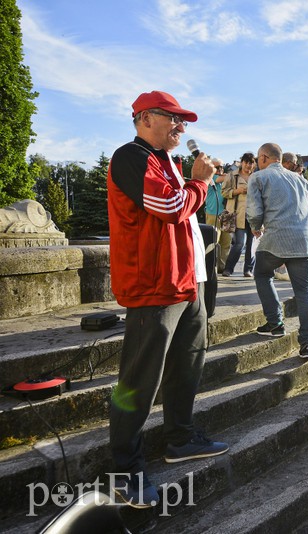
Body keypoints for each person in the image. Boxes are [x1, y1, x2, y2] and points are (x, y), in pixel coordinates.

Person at [107, 91, 229, 507]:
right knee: (139, 380)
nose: (181, 127)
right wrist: (200, 180)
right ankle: (124, 468)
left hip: (185, 281)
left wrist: (198, 182)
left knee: (187, 364)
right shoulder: (131, 156)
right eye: (172, 119)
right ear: (144, 119)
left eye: (184, 121)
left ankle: (179, 437)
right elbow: (169, 205)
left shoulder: (166, 162)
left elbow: (183, 215)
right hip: (153, 286)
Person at [248, 142, 308, 358]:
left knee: (261, 273)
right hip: (303, 241)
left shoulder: (259, 177)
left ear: (263, 158)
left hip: (276, 238)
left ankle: (275, 322)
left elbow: (254, 209)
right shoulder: (302, 181)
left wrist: (255, 226)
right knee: (304, 291)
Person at [221, 151, 256, 277]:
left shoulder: (256, 177)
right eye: (246, 162)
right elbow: (224, 192)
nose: (248, 165)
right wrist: (238, 191)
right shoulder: (232, 175)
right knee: (240, 243)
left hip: (253, 215)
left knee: (252, 244)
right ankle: (228, 269)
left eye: (251, 163)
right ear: (242, 163)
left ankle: (248, 270)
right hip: (238, 215)